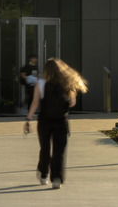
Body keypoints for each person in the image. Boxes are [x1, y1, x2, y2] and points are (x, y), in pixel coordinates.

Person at [24, 56, 86, 189]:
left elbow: (35, 103)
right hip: (61, 121)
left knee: (45, 149)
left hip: (44, 121)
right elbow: (72, 103)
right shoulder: (67, 83)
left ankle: (43, 174)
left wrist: (28, 119)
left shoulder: (40, 83)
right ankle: (57, 178)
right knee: (59, 150)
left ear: (47, 70)